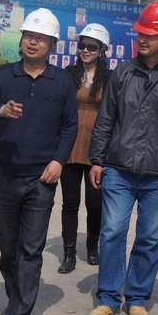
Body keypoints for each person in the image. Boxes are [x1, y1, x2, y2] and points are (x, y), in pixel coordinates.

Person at [87, 0, 158, 315]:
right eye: (140, 33)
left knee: (150, 237)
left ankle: (136, 297)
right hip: (118, 169)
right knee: (111, 232)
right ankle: (108, 298)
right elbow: (106, 118)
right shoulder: (122, 72)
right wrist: (97, 159)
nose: (142, 39)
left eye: (150, 34)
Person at [0, 8, 78, 315]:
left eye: (41, 38)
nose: (33, 42)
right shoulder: (4, 75)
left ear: (52, 44)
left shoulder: (61, 80)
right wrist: (1, 110)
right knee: (9, 250)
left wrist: (59, 161)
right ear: (21, 40)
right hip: (4, 176)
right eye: (29, 36)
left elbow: (70, 126)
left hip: (41, 180)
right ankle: (14, 299)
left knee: (30, 251)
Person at [57, 23, 111, 274]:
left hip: (97, 149)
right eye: (82, 45)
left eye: (92, 46)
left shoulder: (110, 78)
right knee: (70, 203)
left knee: (95, 203)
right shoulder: (69, 73)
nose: (85, 50)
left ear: (102, 50)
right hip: (69, 146)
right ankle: (68, 253)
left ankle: (92, 246)